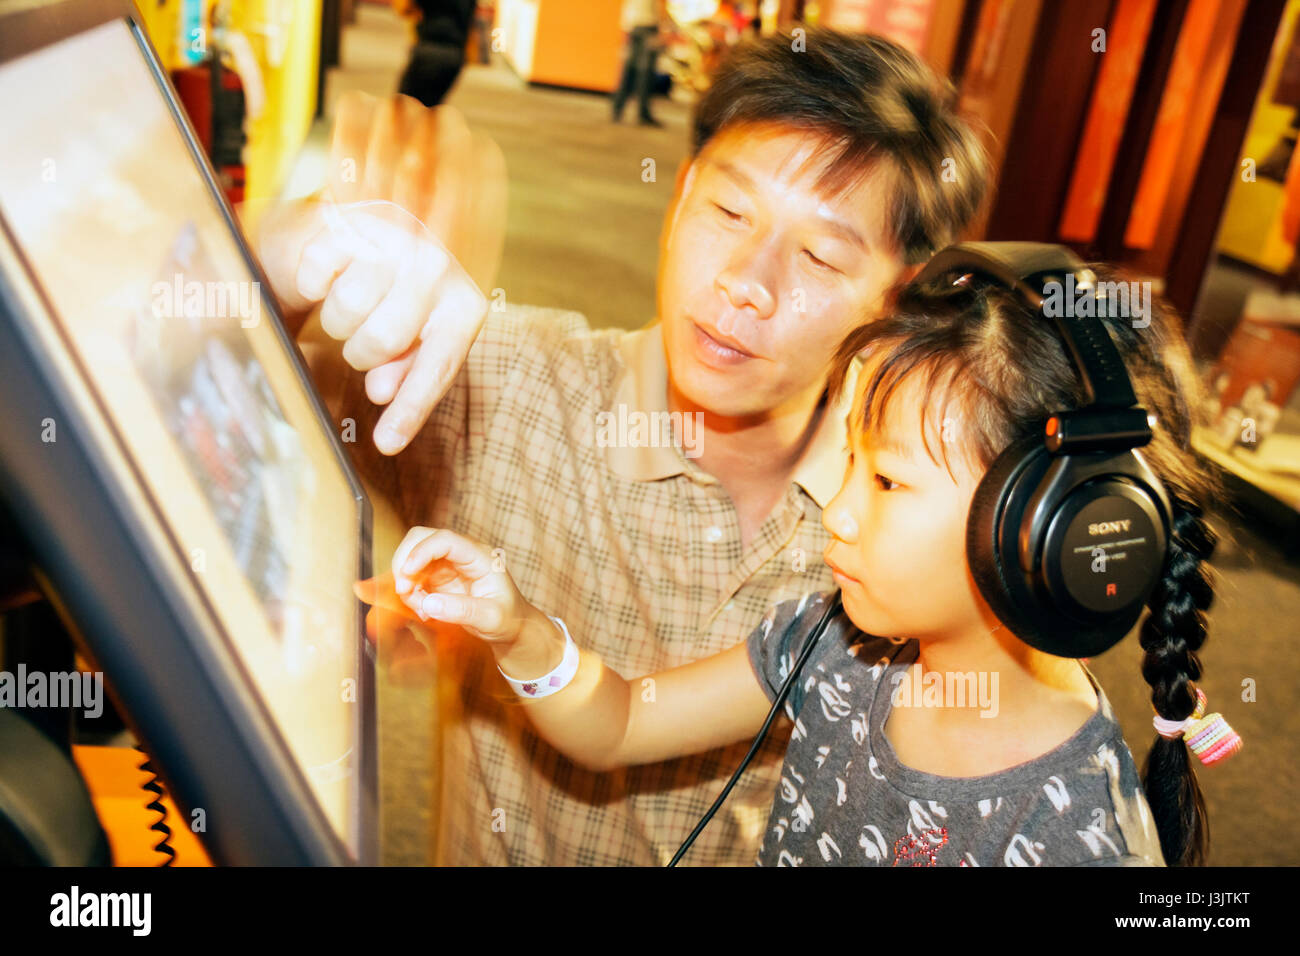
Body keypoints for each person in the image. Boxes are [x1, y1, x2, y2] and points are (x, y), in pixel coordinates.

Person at [258, 29, 990, 865]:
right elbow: (184, 374)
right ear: (678, 202)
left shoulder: (922, 514)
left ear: (895, 300)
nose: (746, 282)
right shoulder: (507, 385)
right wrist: (296, 251)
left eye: (820, 257)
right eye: (728, 211)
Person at [380, 260, 1242, 866]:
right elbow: (621, 723)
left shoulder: (1074, 838)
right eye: (851, 463)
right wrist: (519, 629)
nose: (837, 508)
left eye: (888, 479)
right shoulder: (838, 650)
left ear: (1045, 527)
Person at [396, 0, 477, 107]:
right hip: (455, 55)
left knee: (403, 106)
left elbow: (405, 9)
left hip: (428, 48)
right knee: (430, 107)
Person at [611, 0, 667, 126]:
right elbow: (656, 12)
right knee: (645, 74)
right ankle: (643, 113)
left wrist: (625, 30)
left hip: (633, 29)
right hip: (648, 29)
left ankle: (617, 109)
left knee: (628, 71)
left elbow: (628, 10)